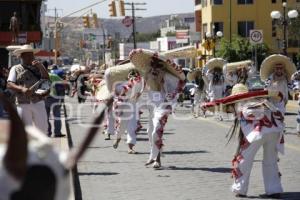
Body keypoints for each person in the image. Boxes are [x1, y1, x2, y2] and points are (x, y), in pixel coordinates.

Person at [129, 49, 185, 168]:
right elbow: (143, 86)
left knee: (156, 130)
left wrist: (171, 95)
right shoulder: (147, 73)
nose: (154, 67)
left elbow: (177, 84)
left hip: (160, 103)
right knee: (150, 132)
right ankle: (154, 157)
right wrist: (138, 94)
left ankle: (156, 159)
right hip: (150, 103)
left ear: (161, 64)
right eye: (152, 63)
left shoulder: (164, 74)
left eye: (157, 64)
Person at [6, 44, 49, 133]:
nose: (31, 57)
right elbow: (9, 84)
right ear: (22, 56)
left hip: (38, 101)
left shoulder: (39, 67)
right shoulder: (15, 68)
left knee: (43, 129)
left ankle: (41, 146)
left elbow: (46, 80)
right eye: (28, 55)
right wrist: (22, 89)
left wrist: (41, 67)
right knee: (25, 130)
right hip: (22, 103)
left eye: (31, 55)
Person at [45, 63, 66, 137]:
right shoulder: (53, 75)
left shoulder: (38, 76)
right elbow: (64, 83)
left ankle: (48, 132)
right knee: (57, 116)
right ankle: (57, 133)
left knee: (45, 117)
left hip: (43, 98)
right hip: (54, 97)